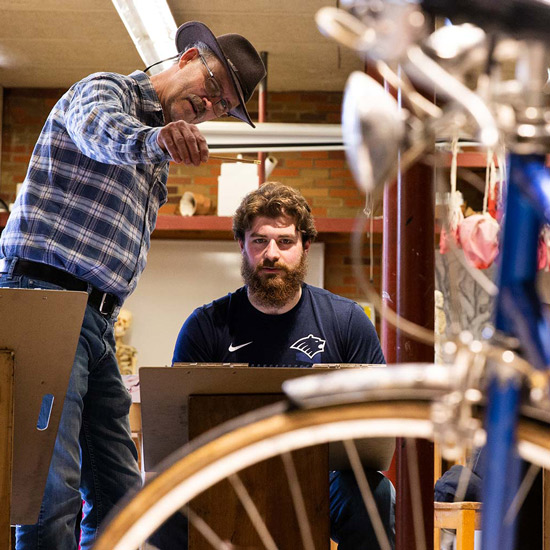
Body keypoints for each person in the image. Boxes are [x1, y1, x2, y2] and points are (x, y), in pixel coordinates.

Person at [0, 21, 265, 550]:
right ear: (189, 56)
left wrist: (157, 146)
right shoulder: (107, 89)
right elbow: (100, 130)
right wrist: (155, 138)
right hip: (44, 297)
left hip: (96, 321)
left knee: (121, 494)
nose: (209, 106)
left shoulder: (157, 160)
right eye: (211, 88)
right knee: (52, 488)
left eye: (221, 107)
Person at [170, 182, 395, 550]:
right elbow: (179, 433)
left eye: (285, 242)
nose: (270, 254)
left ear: (306, 245)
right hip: (230, 475)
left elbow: (379, 424)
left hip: (323, 475)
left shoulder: (346, 321)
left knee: (373, 494)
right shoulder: (206, 326)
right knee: (166, 510)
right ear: (241, 245)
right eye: (259, 241)